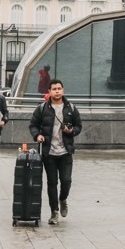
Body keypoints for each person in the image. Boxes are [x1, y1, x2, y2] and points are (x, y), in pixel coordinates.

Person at [29, 78, 82, 225]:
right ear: (49, 91)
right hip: (49, 153)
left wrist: (71, 131)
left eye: (59, 88)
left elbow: (79, 126)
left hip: (66, 151)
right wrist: (37, 135)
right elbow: (33, 125)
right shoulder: (42, 108)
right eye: (54, 89)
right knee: (52, 183)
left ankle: (63, 198)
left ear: (63, 90)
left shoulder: (71, 108)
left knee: (66, 181)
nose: (57, 91)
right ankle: (54, 212)